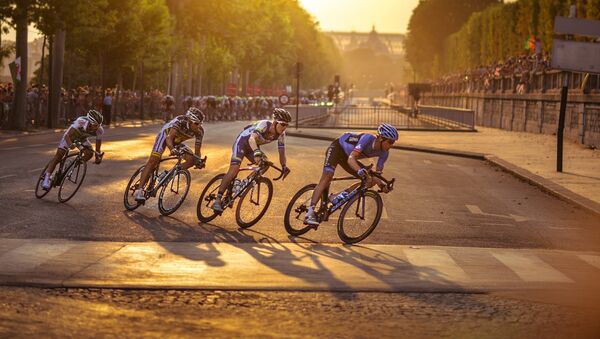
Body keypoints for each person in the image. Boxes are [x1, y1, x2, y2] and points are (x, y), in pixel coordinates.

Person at [304, 123, 398, 226]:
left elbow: (377, 175)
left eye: (393, 142)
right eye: (390, 142)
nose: (391, 145)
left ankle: (336, 196)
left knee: (369, 180)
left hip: (348, 156)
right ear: (381, 139)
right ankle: (310, 214)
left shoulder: (384, 153)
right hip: (338, 148)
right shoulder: (367, 138)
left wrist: (383, 186)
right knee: (327, 177)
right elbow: (351, 159)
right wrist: (360, 171)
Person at [211, 108, 292, 212]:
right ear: (275, 122)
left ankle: (244, 183)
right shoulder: (264, 124)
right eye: (283, 124)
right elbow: (251, 139)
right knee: (234, 169)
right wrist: (256, 152)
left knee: (265, 164)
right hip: (242, 142)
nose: (285, 127)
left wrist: (284, 166)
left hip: (252, 147)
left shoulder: (281, 134)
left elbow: (282, 151)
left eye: (287, 125)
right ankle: (217, 200)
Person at [134, 107, 206, 202]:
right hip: (165, 136)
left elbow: (197, 152)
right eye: (196, 124)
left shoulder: (199, 131)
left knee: (191, 160)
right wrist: (172, 149)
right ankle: (139, 191)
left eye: (200, 124)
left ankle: (167, 175)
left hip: (177, 141)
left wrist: (198, 160)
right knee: (153, 160)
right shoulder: (180, 121)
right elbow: (169, 138)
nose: (198, 126)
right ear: (189, 120)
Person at [41, 109, 105, 190]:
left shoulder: (100, 130)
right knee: (59, 156)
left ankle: (72, 164)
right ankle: (46, 179)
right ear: (90, 122)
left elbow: (98, 147)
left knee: (89, 153)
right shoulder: (81, 121)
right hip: (70, 136)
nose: (97, 127)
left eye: (99, 125)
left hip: (82, 138)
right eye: (95, 125)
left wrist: (98, 156)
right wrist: (71, 145)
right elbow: (67, 135)